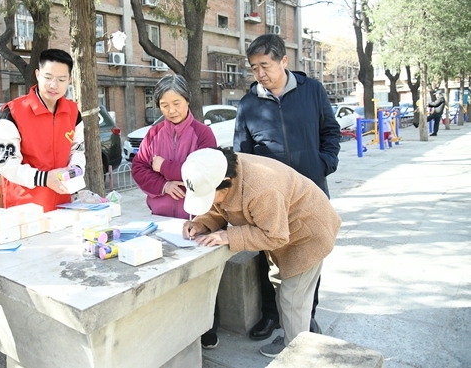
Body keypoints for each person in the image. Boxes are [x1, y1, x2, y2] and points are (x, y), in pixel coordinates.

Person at [181, 148, 341, 358]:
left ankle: (297, 355)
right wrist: (201, 223)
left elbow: (275, 236)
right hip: (284, 230)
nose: (210, 201)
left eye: (209, 196)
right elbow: (219, 206)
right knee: (282, 287)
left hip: (307, 235)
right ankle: (299, 335)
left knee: (293, 299)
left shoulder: (261, 188)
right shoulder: (217, 169)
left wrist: (230, 236)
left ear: (226, 181)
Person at [233, 34, 341, 342]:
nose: (259, 73)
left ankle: (308, 316)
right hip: (270, 201)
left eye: (264, 65)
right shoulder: (249, 104)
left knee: (309, 254)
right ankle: (272, 315)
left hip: (310, 194)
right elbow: (242, 153)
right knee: (269, 258)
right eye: (254, 68)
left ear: (283, 61)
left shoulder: (312, 91)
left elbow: (331, 132)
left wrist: (323, 164)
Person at [131, 74, 219, 348]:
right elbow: (138, 168)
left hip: (196, 219)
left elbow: (203, 173)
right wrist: (164, 184)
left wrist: (163, 166)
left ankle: (208, 327)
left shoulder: (203, 134)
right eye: (164, 105)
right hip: (161, 218)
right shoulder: (153, 134)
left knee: (201, 276)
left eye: (176, 103)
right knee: (165, 274)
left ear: (187, 100)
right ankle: (174, 329)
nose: (171, 110)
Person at [0, 49, 85, 211]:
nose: (54, 85)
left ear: (69, 80)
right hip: (25, 209)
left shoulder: (73, 112)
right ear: (37, 74)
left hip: (63, 204)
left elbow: (77, 150)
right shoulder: (13, 112)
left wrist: (76, 169)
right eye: (48, 77)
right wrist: (44, 178)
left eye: (61, 79)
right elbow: (5, 164)